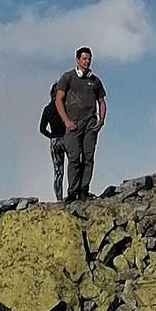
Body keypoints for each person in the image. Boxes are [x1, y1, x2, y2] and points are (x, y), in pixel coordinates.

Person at [51, 47, 107, 203]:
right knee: (74, 158)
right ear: (77, 60)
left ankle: (84, 190)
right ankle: (73, 191)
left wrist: (101, 121)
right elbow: (58, 99)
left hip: (90, 124)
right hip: (73, 124)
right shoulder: (67, 77)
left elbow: (102, 102)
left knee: (88, 158)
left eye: (89, 59)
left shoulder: (95, 81)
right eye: (84, 59)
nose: (87, 61)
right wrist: (66, 121)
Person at [40, 86, 69, 203]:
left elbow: (42, 129)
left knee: (58, 171)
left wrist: (51, 136)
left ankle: (59, 198)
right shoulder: (65, 107)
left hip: (54, 141)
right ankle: (75, 192)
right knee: (74, 165)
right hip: (66, 138)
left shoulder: (47, 109)